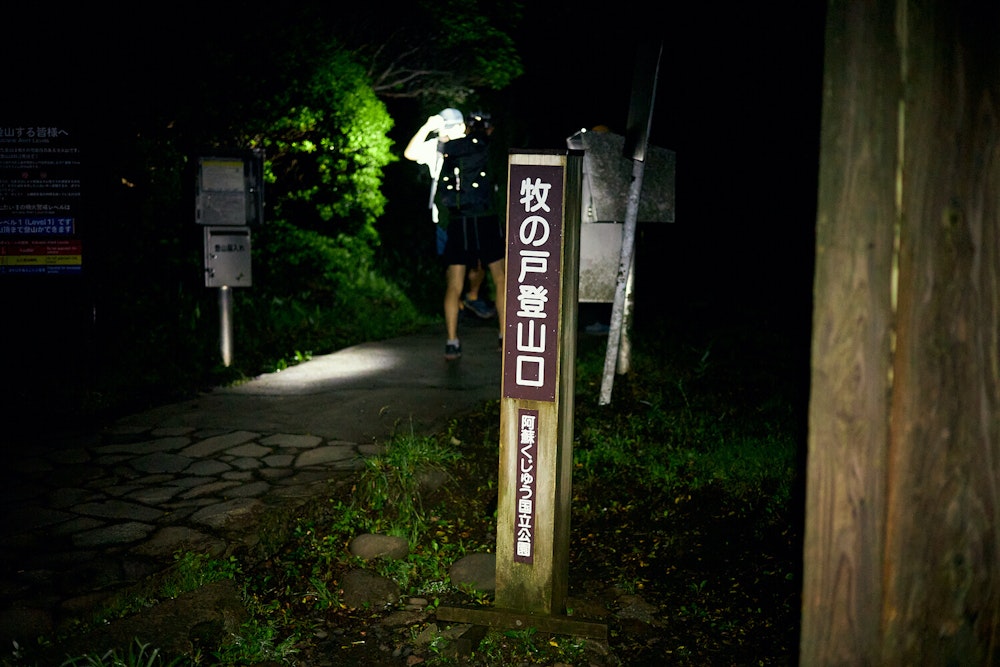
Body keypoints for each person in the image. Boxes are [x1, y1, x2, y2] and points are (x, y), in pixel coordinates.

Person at [404, 108, 505, 360]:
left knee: (454, 282)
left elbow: (410, 154)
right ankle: (504, 336)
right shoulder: (491, 149)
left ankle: (452, 341)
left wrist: (431, 128)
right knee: (501, 278)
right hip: (485, 219)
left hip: (454, 220)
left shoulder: (446, 147)